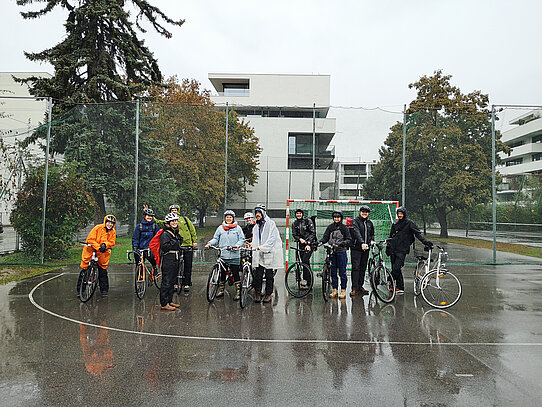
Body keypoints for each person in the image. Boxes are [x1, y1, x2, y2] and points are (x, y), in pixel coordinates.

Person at [387, 206, 433, 294]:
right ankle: (399, 287)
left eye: (401, 213)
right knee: (396, 268)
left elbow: (417, 234)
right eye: (398, 213)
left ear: (404, 214)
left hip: (402, 249)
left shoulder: (410, 223)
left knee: (397, 268)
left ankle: (390, 280)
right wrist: (388, 247)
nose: (400, 215)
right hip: (393, 249)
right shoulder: (395, 224)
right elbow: (391, 237)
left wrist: (425, 242)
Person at [205, 210, 245, 301]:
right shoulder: (220, 228)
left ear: (233, 218)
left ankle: (238, 291)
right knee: (222, 273)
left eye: (230, 217)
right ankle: (221, 290)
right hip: (223, 254)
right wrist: (210, 244)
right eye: (227, 217)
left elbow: (242, 239)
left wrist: (237, 246)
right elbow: (216, 239)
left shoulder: (238, 228)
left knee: (235, 273)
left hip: (234, 254)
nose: (228, 219)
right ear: (225, 218)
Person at [77, 215, 117, 297]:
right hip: (91, 250)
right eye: (108, 223)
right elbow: (90, 239)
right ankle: (80, 290)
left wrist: (105, 245)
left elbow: (112, 242)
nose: (110, 225)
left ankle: (104, 290)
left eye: (111, 223)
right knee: (85, 269)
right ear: (105, 222)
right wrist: (98, 247)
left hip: (103, 253)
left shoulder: (113, 232)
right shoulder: (97, 228)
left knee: (102, 271)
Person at [251, 204, 284, 303]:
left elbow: (273, 238)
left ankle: (268, 294)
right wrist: (253, 246)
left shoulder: (271, 224)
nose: (257, 215)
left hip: (269, 252)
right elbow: (255, 238)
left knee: (269, 275)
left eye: (259, 213)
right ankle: (258, 293)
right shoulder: (256, 226)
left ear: (263, 213)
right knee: (258, 274)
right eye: (256, 213)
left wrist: (264, 247)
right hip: (259, 253)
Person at [319, 211, 351, 299]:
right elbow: (325, 237)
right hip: (332, 252)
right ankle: (335, 289)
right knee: (333, 272)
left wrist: (343, 243)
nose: (336, 219)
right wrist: (320, 242)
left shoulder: (344, 228)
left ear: (341, 218)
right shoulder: (330, 227)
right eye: (335, 217)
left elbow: (349, 239)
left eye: (338, 217)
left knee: (342, 272)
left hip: (341, 252)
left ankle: (343, 290)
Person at [159, 212, 183, 310]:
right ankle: (164, 304)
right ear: (168, 222)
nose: (174, 222)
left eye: (176, 221)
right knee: (167, 281)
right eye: (172, 221)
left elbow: (179, 242)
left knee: (172, 281)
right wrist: (175, 242)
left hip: (175, 258)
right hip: (168, 258)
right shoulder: (165, 233)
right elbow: (164, 247)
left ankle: (169, 301)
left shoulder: (174, 232)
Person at [172, 205, 198, 292]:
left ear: (178, 211)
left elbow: (192, 229)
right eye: (172, 210)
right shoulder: (169, 221)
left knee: (188, 265)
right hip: (177, 245)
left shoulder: (184, 219)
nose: (174, 211)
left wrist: (194, 241)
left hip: (187, 244)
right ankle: (175, 283)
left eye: (175, 210)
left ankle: (186, 283)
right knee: (175, 265)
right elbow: (160, 223)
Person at [350, 205, 375, 297]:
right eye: (363, 211)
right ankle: (354, 288)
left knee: (363, 267)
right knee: (356, 267)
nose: (365, 213)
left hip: (366, 249)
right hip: (356, 248)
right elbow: (356, 232)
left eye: (366, 212)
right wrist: (361, 243)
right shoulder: (355, 221)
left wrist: (371, 240)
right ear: (360, 212)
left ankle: (360, 286)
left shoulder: (369, 223)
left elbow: (372, 233)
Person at [291, 208, 316, 288]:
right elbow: (294, 234)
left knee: (305, 260)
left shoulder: (308, 221)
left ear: (302, 214)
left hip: (310, 244)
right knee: (304, 262)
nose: (298, 215)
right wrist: (299, 239)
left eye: (300, 213)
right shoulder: (294, 223)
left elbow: (313, 233)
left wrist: (308, 243)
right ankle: (308, 281)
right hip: (301, 244)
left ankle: (307, 280)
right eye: (297, 213)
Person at [132, 208, 159, 275]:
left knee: (153, 258)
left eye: (151, 216)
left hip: (150, 248)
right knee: (139, 263)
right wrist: (135, 247)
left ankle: (155, 267)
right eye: (148, 215)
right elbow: (135, 238)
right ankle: (139, 278)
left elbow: (157, 238)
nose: (149, 217)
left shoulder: (154, 226)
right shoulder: (139, 227)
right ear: (144, 216)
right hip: (140, 248)